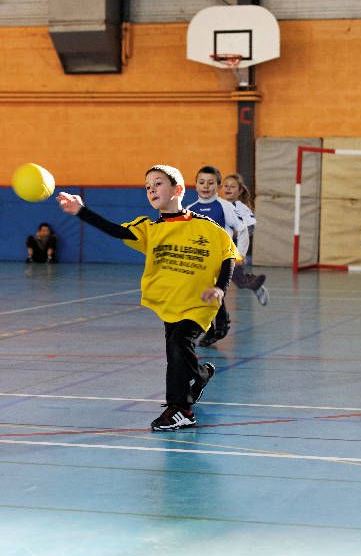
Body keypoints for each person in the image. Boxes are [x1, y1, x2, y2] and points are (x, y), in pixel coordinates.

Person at [57, 165, 238, 431]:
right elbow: (115, 230)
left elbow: (228, 255)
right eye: (148, 187)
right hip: (168, 304)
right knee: (176, 354)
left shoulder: (207, 228)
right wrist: (81, 211)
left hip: (199, 304)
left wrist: (221, 288)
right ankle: (200, 376)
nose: (152, 189)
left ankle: (180, 410)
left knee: (179, 341)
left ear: (177, 190)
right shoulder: (149, 229)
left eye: (158, 184)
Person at [187, 165, 250, 347]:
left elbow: (242, 229)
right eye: (201, 182)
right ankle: (211, 329)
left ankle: (220, 325)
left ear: (218, 185)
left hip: (222, 260)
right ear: (196, 185)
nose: (206, 186)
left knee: (213, 292)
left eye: (210, 183)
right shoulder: (190, 210)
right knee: (198, 295)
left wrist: (241, 253)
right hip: (199, 261)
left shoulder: (225, 207)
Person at [222, 173, 269, 306]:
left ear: (240, 190)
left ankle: (255, 285)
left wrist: (240, 255)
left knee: (238, 279)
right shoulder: (218, 205)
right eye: (226, 186)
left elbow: (247, 230)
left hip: (233, 252)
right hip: (216, 250)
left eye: (232, 186)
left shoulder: (242, 209)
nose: (228, 189)